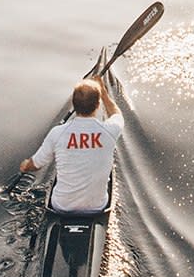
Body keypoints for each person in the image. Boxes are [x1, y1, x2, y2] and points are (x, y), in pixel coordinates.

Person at [19, 76, 123, 214]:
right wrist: (103, 92)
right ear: (98, 105)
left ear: (74, 105)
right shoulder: (110, 130)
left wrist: (25, 165)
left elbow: (35, 165)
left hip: (61, 207)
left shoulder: (57, 133)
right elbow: (116, 114)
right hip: (97, 208)